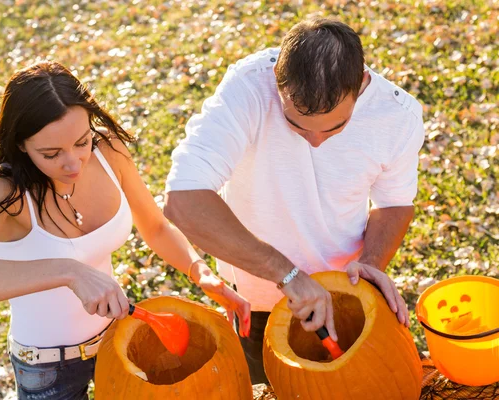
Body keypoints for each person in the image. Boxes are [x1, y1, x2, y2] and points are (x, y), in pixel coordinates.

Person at [0, 61, 250, 399]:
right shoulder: (1, 191)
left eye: (81, 142)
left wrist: (200, 272)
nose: (73, 163)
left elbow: (155, 227)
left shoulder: (109, 150)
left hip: (120, 344)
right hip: (47, 370)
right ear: (22, 144)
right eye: (51, 153)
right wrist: (68, 272)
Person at [164, 17, 424, 384]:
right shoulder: (248, 88)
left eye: (335, 127)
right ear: (278, 84)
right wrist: (286, 274)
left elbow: (393, 203)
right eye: (297, 124)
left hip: (345, 291)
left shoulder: (398, 115)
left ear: (361, 84)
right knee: (262, 383)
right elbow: (182, 200)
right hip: (255, 293)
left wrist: (372, 263)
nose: (314, 142)